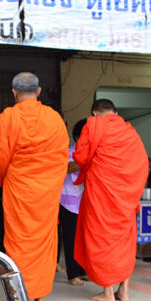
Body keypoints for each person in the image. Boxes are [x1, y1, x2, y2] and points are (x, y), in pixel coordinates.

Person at [0, 72, 69, 301]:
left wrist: (3, 178)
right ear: (39, 91)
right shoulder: (54, 118)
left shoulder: (8, 117)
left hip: (19, 190)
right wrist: (52, 183)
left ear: (14, 93)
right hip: (45, 192)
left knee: (18, 243)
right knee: (44, 242)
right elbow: (62, 157)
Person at [73, 99, 148, 301]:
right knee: (124, 241)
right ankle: (124, 290)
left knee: (102, 237)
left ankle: (108, 292)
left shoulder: (94, 124)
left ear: (94, 113)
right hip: (126, 196)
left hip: (102, 194)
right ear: (115, 112)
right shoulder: (130, 131)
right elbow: (142, 162)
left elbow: (80, 156)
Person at [59, 119, 88, 286]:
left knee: (84, 238)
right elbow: (70, 168)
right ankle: (72, 274)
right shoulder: (69, 151)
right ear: (78, 136)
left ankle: (83, 271)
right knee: (71, 239)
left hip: (85, 202)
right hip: (67, 202)